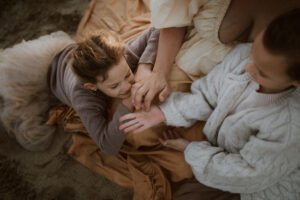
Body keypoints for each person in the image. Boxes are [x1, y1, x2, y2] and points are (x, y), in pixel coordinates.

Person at [119, 9, 300, 200]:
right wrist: (163, 113)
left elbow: (246, 175)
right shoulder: (243, 56)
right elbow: (207, 94)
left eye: (262, 72)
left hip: (258, 190)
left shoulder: (289, 127)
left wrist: (190, 149)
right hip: (221, 158)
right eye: (254, 55)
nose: (248, 68)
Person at [0, 28, 159, 153]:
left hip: (64, 51)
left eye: (127, 75)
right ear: (91, 86)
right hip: (36, 73)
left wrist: (144, 67)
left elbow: (156, 31)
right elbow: (107, 146)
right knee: (33, 136)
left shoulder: (121, 57)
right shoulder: (83, 97)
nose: (127, 86)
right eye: (114, 86)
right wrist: (127, 103)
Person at [132, 0, 300, 112]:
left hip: (229, 101)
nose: (249, 67)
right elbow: (169, 21)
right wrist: (156, 70)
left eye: (263, 72)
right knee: (136, 103)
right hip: (172, 50)